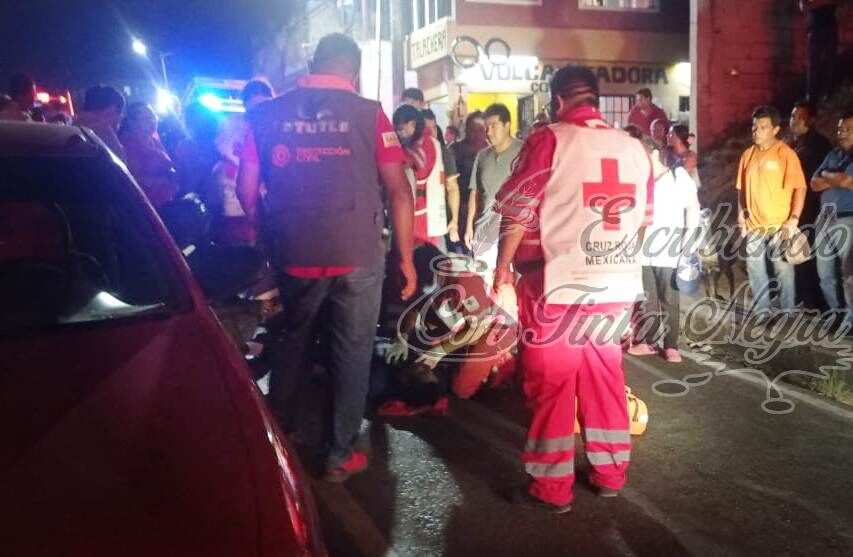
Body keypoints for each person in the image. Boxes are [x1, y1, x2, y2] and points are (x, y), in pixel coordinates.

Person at [237, 33, 415, 482]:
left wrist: (267, 230)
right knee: (352, 352)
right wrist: (406, 259)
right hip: (358, 254)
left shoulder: (263, 114)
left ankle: (282, 438)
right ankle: (338, 454)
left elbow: (244, 189)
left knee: (292, 341)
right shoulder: (370, 114)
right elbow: (399, 190)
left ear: (311, 62)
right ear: (352, 71)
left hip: (295, 252)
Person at [493, 65, 653, 512]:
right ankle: (610, 473)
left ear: (557, 99)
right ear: (596, 100)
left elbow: (519, 210)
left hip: (557, 286)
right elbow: (643, 222)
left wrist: (502, 269)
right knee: (606, 380)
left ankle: (551, 488)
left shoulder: (551, 138)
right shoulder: (635, 149)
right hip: (616, 286)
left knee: (552, 386)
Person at [629, 136, 700, 363]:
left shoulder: (678, 177)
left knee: (669, 298)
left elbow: (693, 210)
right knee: (648, 298)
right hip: (643, 250)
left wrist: (689, 243)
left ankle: (671, 346)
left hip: (670, 249)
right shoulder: (641, 182)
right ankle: (648, 341)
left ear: (654, 154)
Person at [736, 105, 807, 316]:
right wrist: (741, 213)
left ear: (775, 130)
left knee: (783, 270)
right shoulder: (747, 155)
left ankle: (788, 311)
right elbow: (740, 189)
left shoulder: (786, 154)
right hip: (754, 226)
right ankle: (762, 312)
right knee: (755, 270)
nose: (756, 131)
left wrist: (794, 218)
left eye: (763, 127)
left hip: (780, 226)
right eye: (755, 127)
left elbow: (800, 187)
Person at [466, 103, 523, 281]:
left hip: (515, 234)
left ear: (507, 125)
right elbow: (475, 193)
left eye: (494, 126)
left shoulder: (525, 151)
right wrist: (469, 226)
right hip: (484, 233)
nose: (489, 132)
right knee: (484, 288)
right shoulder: (482, 156)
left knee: (511, 289)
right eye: (486, 127)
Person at [788, 99, 832, 308]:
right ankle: (801, 296)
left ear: (811, 119)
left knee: (810, 256)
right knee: (796, 254)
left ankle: (815, 301)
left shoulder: (818, 145)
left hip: (812, 209)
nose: (794, 120)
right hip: (795, 208)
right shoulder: (793, 144)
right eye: (793, 115)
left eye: (799, 116)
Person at [811, 109, 853, 324]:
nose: (842, 133)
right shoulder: (833, 154)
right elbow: (814, 183)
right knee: (825, 274)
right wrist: (832, 176)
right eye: (840, 129)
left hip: (848, 219)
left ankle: (850, 320)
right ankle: (836, 314)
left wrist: (827, 175)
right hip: (824, 219)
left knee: (848, 276)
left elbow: (847, 181)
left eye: (847, 129)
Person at [394, 104, 452, 251]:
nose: (398, 133)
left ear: (413, 124)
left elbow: (407, 173)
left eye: (400, 129)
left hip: (418, 218)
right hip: (432, 216)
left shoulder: (416, 149)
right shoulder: (433, 143)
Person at [119, 102, 177, 209]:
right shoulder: (129, 145)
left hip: (166, 201)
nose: (152, 121)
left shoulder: (154, 140)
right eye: (146, 118)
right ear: (132, 122)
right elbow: (134, 177)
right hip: (146, 204)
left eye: (153, 116)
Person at [450, 111, 488, 254]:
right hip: (460, 209)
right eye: (472, 129)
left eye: (480, 129)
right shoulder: (455, 150)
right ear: (466, 129)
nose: (476, 133)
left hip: (485, 210)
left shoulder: (491, 151)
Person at [423, 108, 462, 246]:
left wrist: (454, 221)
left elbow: (452, 187)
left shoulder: (443, 153)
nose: (431, 132)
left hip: (438, 222)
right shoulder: (410, 153)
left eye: (433, 127)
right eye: (426, 128)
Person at [74, 85, 126, 161]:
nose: (120, 119)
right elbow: (121, 169)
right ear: (109, 111)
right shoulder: (104, 134)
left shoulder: (67, 131)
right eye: (119, 113)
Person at [799, 0, 838, 102]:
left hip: (829, 27)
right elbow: (803, 6)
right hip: (815, 29)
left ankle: (829, 96)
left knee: (830, 63)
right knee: (813, 65)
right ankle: (811, 98)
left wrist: (816, 4)